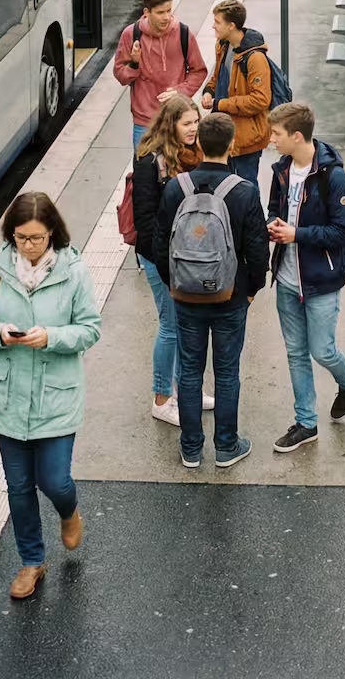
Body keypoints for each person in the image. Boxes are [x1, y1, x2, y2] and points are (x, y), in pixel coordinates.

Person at [0, 192, 101, 600]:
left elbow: (90, 328)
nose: (29, 247)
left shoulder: (74, 270)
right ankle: (31, 562)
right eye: (21, 238)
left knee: (54, 480)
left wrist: (52, 338)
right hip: (7, 393)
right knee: (18, 486)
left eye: (37, 238)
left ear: (52, 233)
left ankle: (69, 512)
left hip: (56, 395)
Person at [149, 112, 270, 469]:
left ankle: (190, 448)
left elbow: (160, 244)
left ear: (198, 143)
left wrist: (174, 283)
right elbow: (257, 248)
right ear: (232, 145)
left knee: (189, 370)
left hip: (186, 295)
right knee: (227, 371)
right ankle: (226, 446)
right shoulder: (244, 191)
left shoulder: (177, 187)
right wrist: (251, 290)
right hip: (230, 296)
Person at [265, 101, 345, 453]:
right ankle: (306, 422)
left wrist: (297, 235)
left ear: (297, 136)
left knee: (322, 350)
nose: (271, 139)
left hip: (320, 281)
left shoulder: (332, 177)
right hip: (287, 279)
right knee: (295, 353)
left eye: (276, 134)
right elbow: (276, 209)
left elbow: (344, 231)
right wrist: (274, 224)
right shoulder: (280, 171)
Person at [131, 94, 212, 427]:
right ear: (171, 124)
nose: (194, 129)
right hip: (160, 256)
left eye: (196, 122)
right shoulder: (150, 160)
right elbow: (145, 219)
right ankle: (161, 398)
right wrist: (164, 264)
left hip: (189, 254)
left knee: (185, 325)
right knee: (171, 326)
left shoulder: (196, 153)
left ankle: (185, 392)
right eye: (187, 123)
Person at [114, 0, 208, 149]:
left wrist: (180, 92)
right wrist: (134, 63)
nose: (166, 17)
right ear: (146, 12)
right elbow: (121, 76)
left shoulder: (183, 33)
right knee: (145, 172)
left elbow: (198, 71)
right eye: (160, 12)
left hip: (177, 120)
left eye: (169, 11)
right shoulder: (130, 34)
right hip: (144, 122)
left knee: (179, 172)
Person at [201, 0, 271, 184]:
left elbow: (260, 100)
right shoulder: (223, 46)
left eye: (217, 22)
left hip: (246, 140)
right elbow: (218, 76)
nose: (213, 27)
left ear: (231, 25)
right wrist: (209, 90)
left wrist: (220, 104)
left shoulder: (255, 58)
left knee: (245, 188)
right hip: (225, 134)